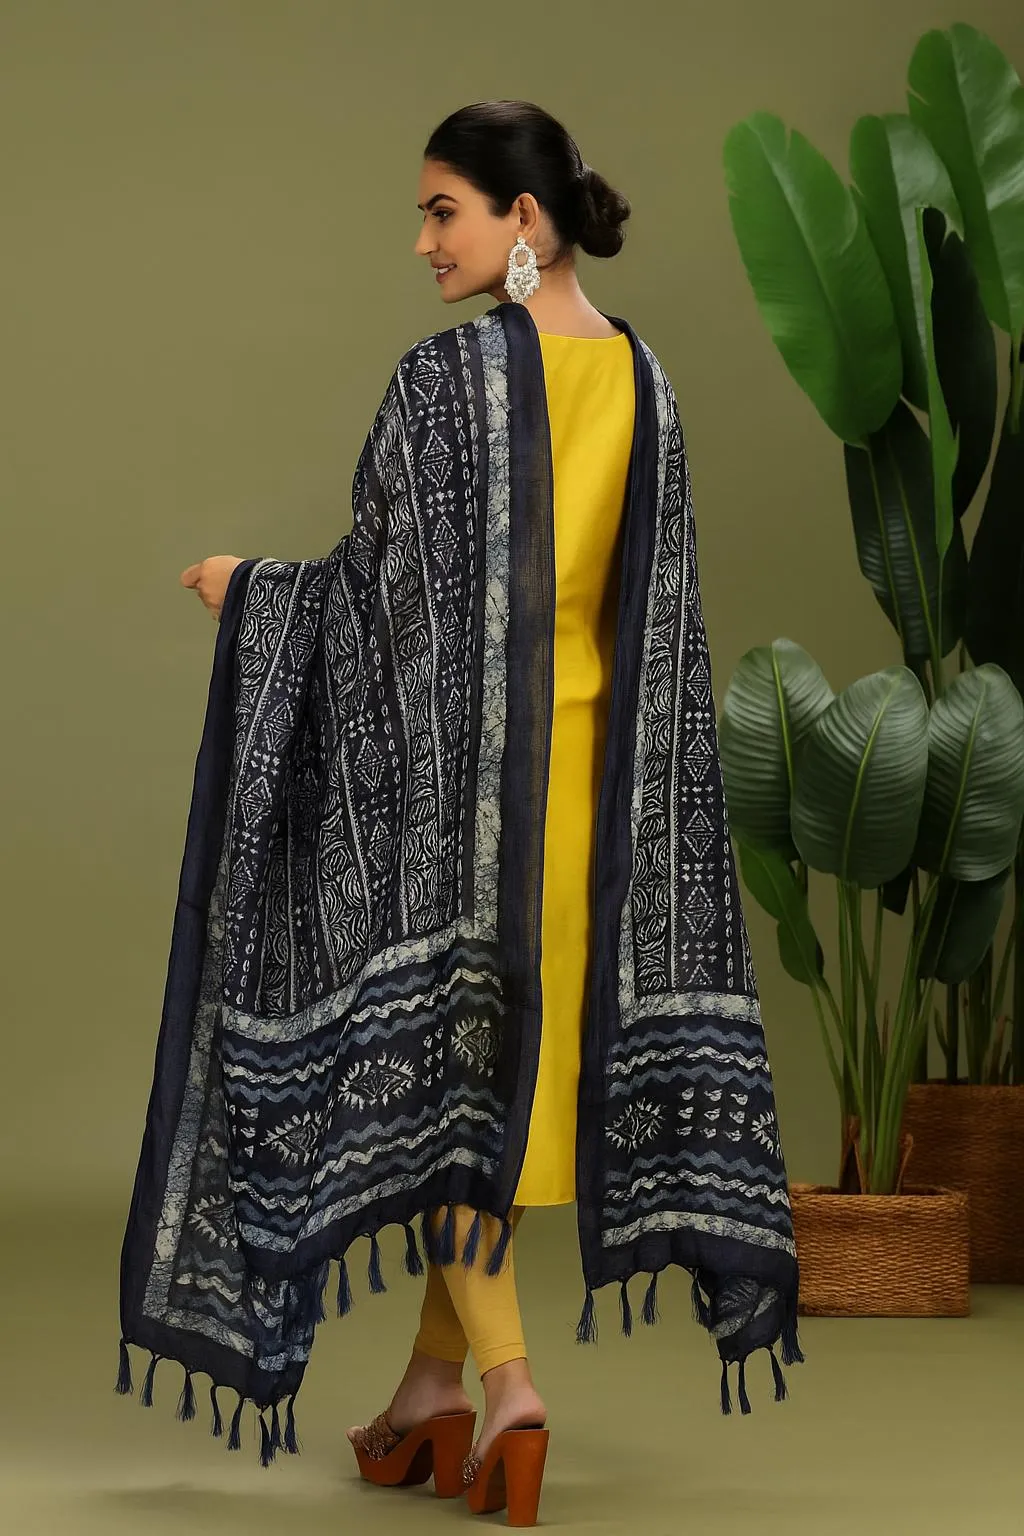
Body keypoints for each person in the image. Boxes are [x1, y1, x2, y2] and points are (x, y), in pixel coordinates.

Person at [123, 99, 799, 1529]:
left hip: (464, 815)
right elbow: (658, 622)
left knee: (446, 1095)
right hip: (598, 817)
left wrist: (251, 595)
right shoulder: (648, 383)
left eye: (444, 210)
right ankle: (431, 1394)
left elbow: (376, 605)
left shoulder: (447, 382)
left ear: (522, 221)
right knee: (496, 1104)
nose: (424, 240)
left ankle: (509, 1388)